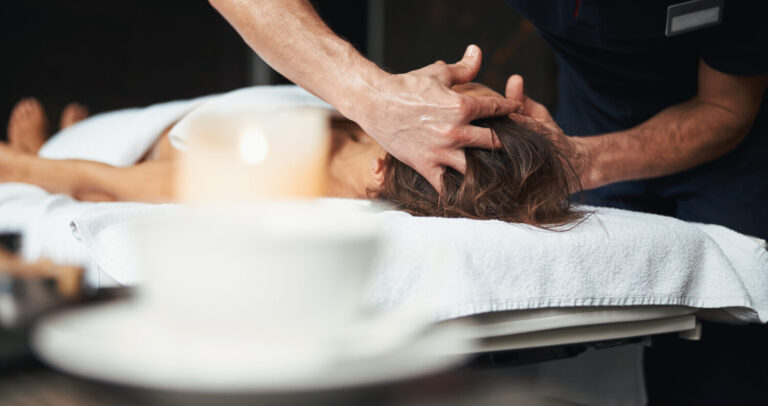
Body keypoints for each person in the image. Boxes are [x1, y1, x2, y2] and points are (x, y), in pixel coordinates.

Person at [0, 82, 584, 228]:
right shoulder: (374, 136)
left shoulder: (267, 172)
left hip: (132, 149)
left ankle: (47, 143)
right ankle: (65, 133)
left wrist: (24, 167)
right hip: (198, 108)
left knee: (70, 154)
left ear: (381, 166)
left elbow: (103, 186)